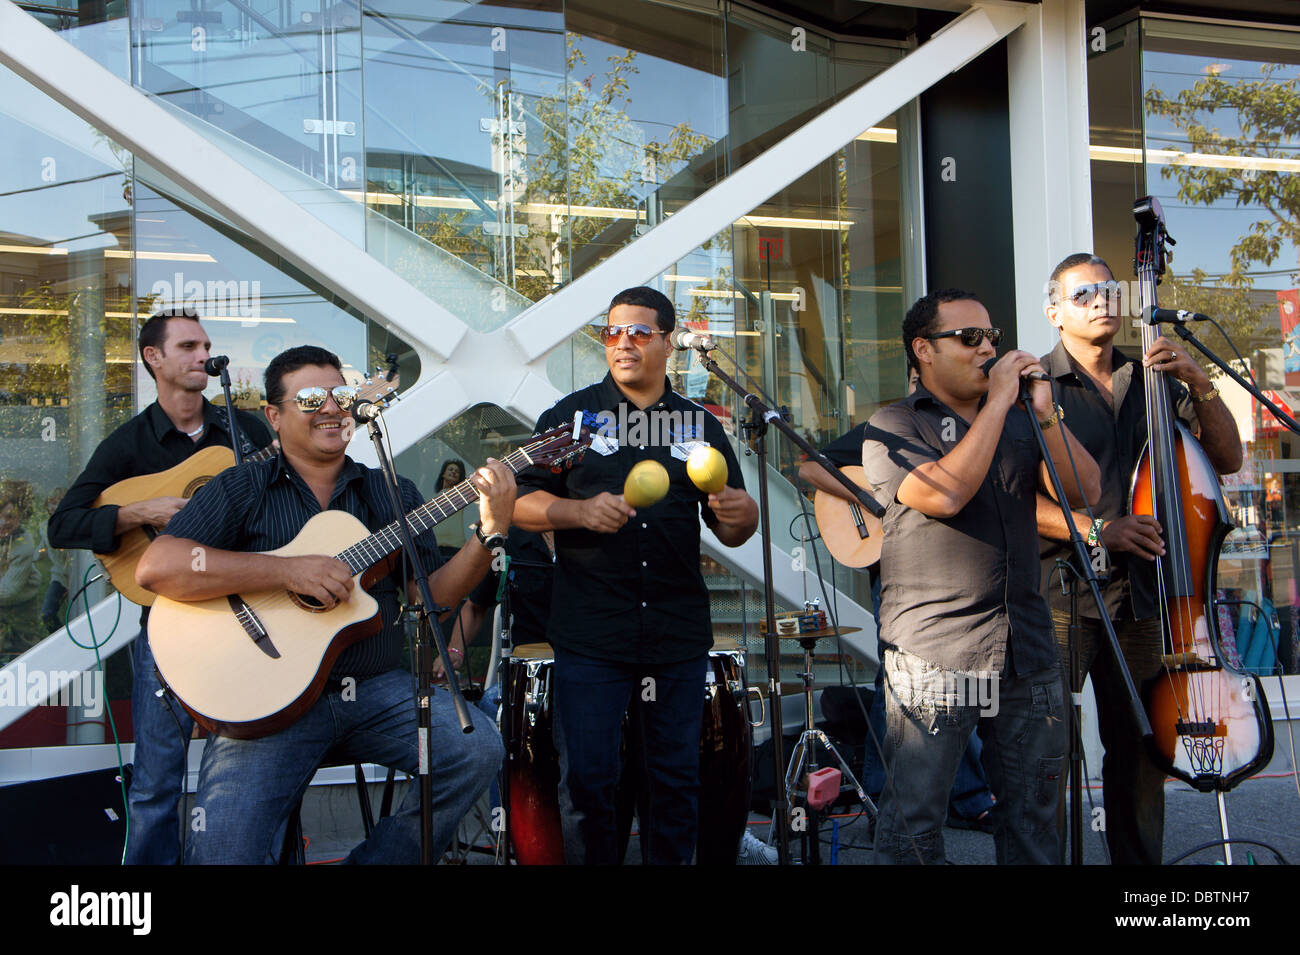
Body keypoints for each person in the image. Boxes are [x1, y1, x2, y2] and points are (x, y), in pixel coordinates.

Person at [135, 345, 508, 864]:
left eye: (340, 394)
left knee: (476, 750)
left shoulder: (389, 490)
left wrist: (488, 534)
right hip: (269, 701)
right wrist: (286, 569)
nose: (330, 408)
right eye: (310, 398)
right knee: (224, 848)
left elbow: (432, 598)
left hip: (376, 690)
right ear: (274, 415)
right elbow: (158, 566)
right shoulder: (244, 486)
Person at [512, 286, 759, 864]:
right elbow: (517, 501)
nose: (623, 343)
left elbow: (732, 526)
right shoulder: (571, 420)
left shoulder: (698, 425)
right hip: (592, 633)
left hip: (675, 631)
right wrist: (577, 511)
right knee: (588, 787)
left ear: (668, 342)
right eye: (612, 332)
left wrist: (741, 515)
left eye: (639, 332)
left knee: (674, 785)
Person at [861, 287, 1100, 865]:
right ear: (923, 349)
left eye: (991, 336)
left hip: (1027, 646)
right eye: (969, 338)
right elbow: (943, 495)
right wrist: (997, 404)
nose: (987, 348)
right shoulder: (893, 424)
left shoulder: (1024, 421)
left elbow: (1085, 493)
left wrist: (1045, 413)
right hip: (939, 654)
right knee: (914, 825)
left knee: (1036, 821)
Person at [1035, 252, 1242, 865]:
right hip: (1062, 594)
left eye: (1107, 289)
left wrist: (1201, 383)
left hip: (1148, 598)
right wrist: (1099, 531)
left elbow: (1225, 461)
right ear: (1055, 313)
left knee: (1143, 751)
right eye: (1083, 295)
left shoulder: (1153, 378)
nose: (1101, 300)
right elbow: (1014, 501)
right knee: (1046, 754)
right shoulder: (1033, 386)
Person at [47, 308, 274, 864]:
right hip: (171, 624)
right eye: (189, 346)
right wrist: (136, 512)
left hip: (249, 614)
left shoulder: (245, 431)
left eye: (206, 346)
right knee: (155, 782)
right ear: (154, 358)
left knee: (251, 776)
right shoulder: (130, 443)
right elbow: (64, 524)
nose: (203, 355)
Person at [796, 387, 997, 834]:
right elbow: (810, 464)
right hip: (901, 567)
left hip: (957, 569)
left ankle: (924, 799)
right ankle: (904, 802)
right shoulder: (890, 428)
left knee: (942, 681)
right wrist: (876, 501)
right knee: (904, 679)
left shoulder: (976, 427)